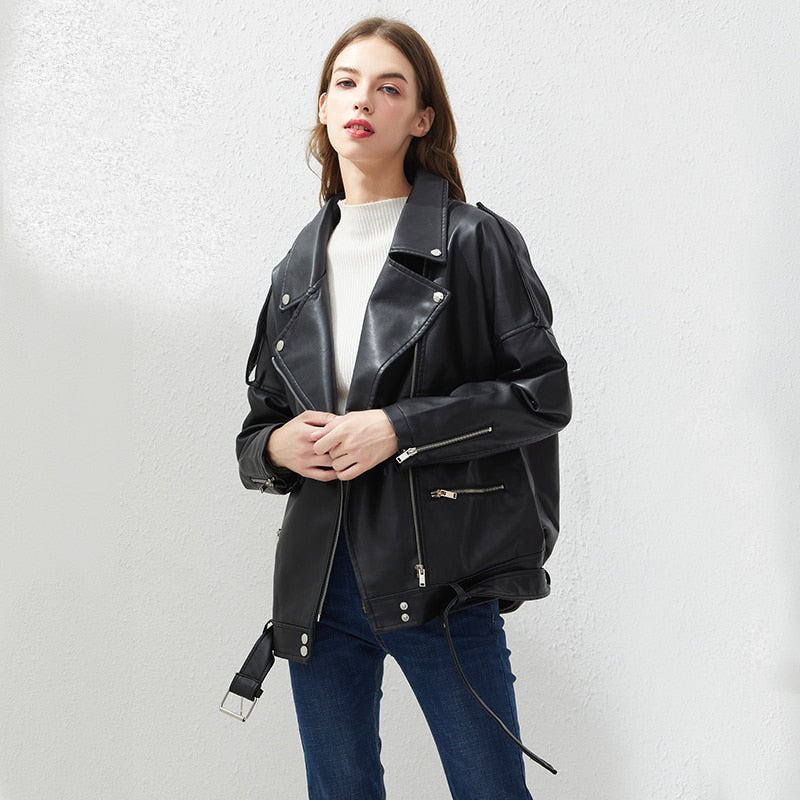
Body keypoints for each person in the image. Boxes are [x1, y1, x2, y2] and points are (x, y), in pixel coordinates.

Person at [236, 16, 571, 800]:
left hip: (440, 578)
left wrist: (397, 428)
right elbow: (256, 428)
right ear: (324, 107)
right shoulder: (295, 270)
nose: (363, 101)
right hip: (317, 582)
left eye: (390, 88)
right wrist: (279, 447)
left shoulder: (474, 241)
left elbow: (543, 393)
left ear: (421, 119)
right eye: (346, 83)